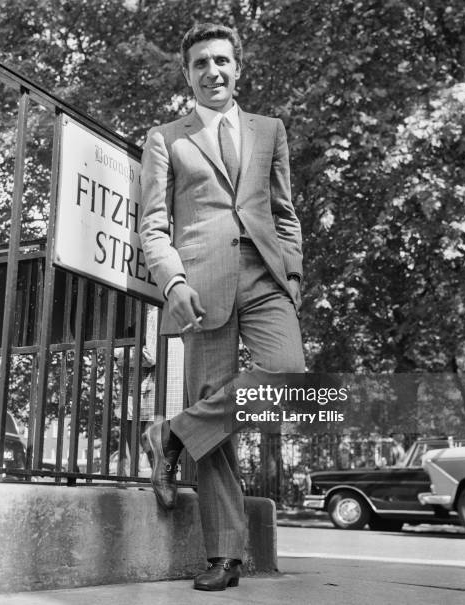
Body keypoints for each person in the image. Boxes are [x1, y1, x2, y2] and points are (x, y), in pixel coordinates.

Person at [139, 23, 305, 591]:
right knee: (218, 413)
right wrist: (173, 282)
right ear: (187, 74)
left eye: (222, 61)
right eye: (201, 63)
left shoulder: (270, 130)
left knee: (287, 373)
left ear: (238, 67)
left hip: (265, 275)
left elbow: (284, 211)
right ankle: (225, 555)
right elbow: (154, 225)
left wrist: (295, 271)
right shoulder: (166, 137)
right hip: (200, 286)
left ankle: (172, 435)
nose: (213, 71)